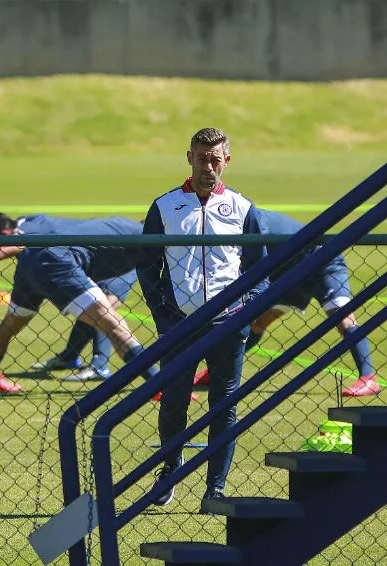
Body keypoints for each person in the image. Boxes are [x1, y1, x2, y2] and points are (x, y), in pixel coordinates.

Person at [137, 127, 267, 509]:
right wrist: (162, 312)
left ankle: (216, 487)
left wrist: (247, 313)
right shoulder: (164, 206)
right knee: (175, 400)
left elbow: (259, 269)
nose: (208, 166)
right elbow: (147, 265)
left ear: (226, 161)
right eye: (201, 157)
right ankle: (169, 473)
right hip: (179, 322)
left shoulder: (243, 208)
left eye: (215, 159)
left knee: (224, 405)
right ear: (189, 158)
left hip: (229, 321)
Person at [0, 207, 139, 382]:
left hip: (105, 256)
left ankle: (99, 366)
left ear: (5, 234)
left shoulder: (22, 237)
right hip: (71, 259)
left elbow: (3, 251)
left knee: (105, 312)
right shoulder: (30, 220)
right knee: (99, 314)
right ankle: (73, 357)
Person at [250, 209, 380, 397]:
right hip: (291, 271)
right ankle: (217, 373)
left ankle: (368, 379)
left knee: (343, 316)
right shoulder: (243, 219)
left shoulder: (251, 220)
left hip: (322, 259)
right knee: (258, 322)